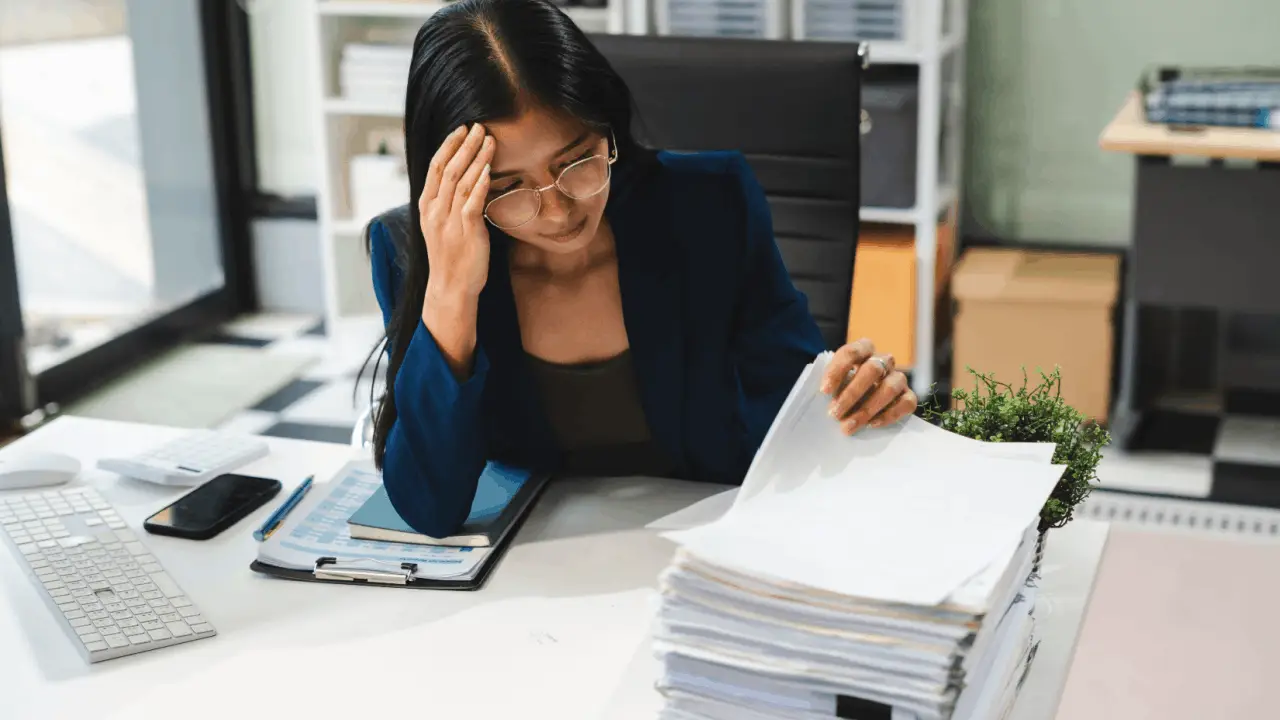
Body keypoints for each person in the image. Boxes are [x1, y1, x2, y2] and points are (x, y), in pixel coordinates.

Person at [363, 0, 918, 539]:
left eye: (575, 161)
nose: (557, 210)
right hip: (539, 577)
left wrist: (855, 397)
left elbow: (793, 409)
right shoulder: (410, 253)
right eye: (508, 188)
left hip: (706, 542)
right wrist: (452, 292)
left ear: (607, 128)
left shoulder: (709, 205)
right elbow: (429, 509)